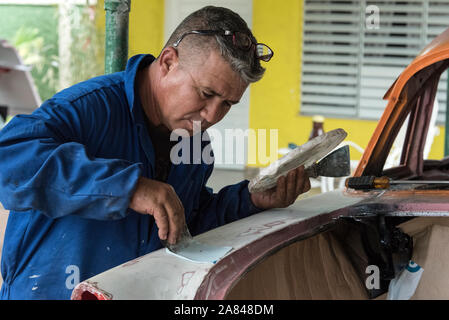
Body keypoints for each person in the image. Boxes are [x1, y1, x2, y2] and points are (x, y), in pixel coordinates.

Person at [0, 6, 310, 299]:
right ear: (167, 62)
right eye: (206, 93)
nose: (213, 115)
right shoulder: (89, 109)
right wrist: (129, 188)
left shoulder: (194, 142)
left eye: (227, 103)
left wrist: (251, 200)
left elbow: (185, 222)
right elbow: (8, 162)